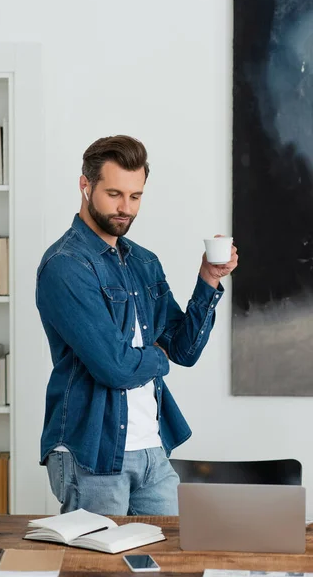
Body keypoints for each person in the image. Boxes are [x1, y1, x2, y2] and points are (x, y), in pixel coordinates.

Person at [35, 135, 238, 515]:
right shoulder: (65, 266)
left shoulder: (144, 263)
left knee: (173, 562)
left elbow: (184, 350)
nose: (125, 207)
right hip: (92, 452)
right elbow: (114, 367)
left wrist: (208, 279)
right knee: (100, 569)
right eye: (114, 193)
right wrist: (157, 358)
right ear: (85, 185)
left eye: (135, 196)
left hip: (152, 449)